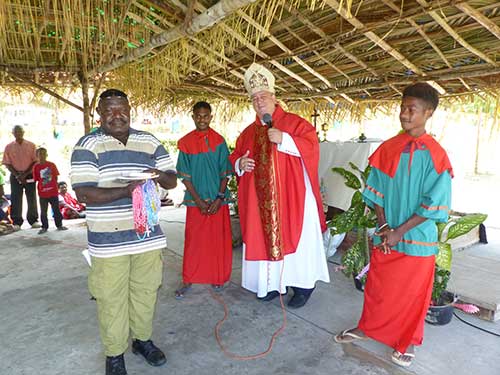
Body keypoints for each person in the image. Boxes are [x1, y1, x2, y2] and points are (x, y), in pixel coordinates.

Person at [334, 83, 453, 368]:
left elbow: (435, 203)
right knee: (378, 287)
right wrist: (386, 225)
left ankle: (406, 341)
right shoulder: (388, 148)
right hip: (388, 234)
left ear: (429, 113)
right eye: (402, 107)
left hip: (418, 237)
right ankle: (367, 328)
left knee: (413, 295)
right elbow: (376, 191)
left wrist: (401, 230)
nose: (404, 114)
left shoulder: (438, 156)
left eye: (412, 109)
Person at [70, 89, 177, 375]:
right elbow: (83, 193)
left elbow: (171, 180)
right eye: (110, 111)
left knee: (146, 291)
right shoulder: (88, 145)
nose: (117, 116)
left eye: (122, 110)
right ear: (100, 114)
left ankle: (142, 341)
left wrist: (155, 175)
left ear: (130, 109)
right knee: (110, 297)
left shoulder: (149, 141)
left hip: (148, 236)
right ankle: (114, 354)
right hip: (109, 241)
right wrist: (126, 190)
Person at [229, 63, 330, 309]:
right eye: (254, 98)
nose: (259, 101)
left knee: (298, 240)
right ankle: (272, 285)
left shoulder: (296, 124)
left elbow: (312, 148)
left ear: (274, 97)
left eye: (263, 96)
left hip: (292, 198)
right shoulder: (247, 132)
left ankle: (303, 286)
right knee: (264, 239)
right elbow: (234, 157)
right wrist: (240, 163)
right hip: (260, 202)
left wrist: (285, 139)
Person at [174, 101, 233, 298]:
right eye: (198, 115)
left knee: (218, 241)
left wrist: (219, 197)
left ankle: (217, 276)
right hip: (195, 202)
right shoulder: (185, 143)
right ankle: (189, 278)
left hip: (218, 201)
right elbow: (185, 176)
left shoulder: (219, 141)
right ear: (193, 117)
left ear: (211, 117)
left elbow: (225, 173)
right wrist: (198, 201)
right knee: (194, 242)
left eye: (205, 115)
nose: (202, 119)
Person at [2, 125, 40, 229]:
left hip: (29, 175)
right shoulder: (8, 147)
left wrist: (25, 174)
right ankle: (17, 222)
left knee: (31, 197)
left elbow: (35, 161)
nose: (18, 133)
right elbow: (7, 163)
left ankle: (33, 220)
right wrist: (17, 175)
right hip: (15, 176)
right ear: (12, 133)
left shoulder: (31, 145)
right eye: (16, 132)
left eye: (20, 131)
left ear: (23, 132)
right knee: (16, 198)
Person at [32, 147, 67, 234]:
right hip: (42, 193)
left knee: (56, 209)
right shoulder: (36, 167)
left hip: (53, 192)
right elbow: (36, 179)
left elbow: (55, 177)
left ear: (46, 155)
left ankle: (59, 225)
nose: (42, 156)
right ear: (37, 156)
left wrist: (52, 186)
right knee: (43, 211)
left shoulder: (51, 165)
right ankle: (44, 227)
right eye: (40, 154)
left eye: (44, 154)